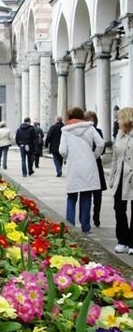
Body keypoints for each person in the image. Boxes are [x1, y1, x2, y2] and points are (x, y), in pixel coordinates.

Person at [59, 107, 104, 234]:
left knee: (71, 197)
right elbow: (101, 144)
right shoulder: (90, 128)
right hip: (88, 165)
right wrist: (93, 155)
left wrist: (69, 157)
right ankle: (85, 227)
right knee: (86, 196)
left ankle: (70, 226)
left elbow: (62, 150)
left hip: (74, 165)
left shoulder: (66, 131)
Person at [108, 106, 133, 255]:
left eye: (119, 118)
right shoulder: (119, 135)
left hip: (131, 176)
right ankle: (122, 240)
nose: (117, 121)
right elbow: (115, 158)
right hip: (120, 177)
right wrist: (112, 177)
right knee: (119, 208)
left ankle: (132, 241)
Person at [84, 110, 107, 227]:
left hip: (96, 163)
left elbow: (103, 149)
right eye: (88, 120)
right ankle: (85, 217)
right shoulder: (83, 132)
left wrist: (94, 156)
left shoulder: (98, 132)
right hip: (88, 163)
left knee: (97, 193)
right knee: (86, 192)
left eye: (92, 120)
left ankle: (96, 216)